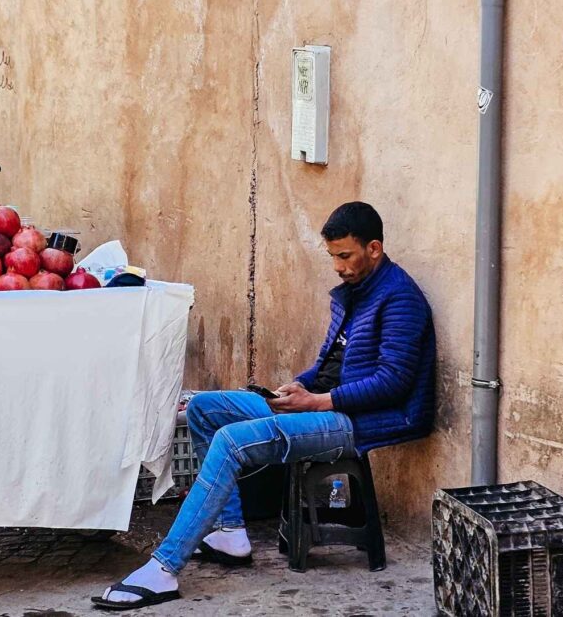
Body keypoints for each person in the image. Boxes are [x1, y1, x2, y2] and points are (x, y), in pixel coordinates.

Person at [92, 201, 436, 611]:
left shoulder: (400, 298)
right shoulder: (353, 293)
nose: (338, 266)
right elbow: (329, 364)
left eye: (345, 256)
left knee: (233, 442)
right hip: (323, 405)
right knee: (205, 409)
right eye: (333, 257)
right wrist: (299, 386)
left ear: (374, 248)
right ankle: (229, 532)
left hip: (357, 421)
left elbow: (393, 383)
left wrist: (318, 401)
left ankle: (164, 568)